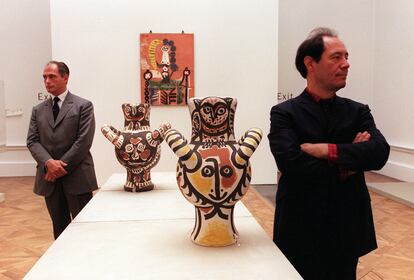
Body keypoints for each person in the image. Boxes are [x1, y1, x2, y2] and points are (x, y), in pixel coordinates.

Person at [268, 27, 390, 279]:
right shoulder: (284, 113)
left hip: (347, 228)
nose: (346, 64)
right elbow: (292, 164)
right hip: (300, 228)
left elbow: (379, 153)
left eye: (346, 57)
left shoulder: (358, 111)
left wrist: (327, 150)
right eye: (336, 57)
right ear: (310, 63)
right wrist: (352, 158)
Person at [27, 61, 98, 239]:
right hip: (49, 180)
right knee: (59, 230)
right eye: (44, 77)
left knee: (83, 230)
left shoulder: (83, 106)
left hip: (77, 177)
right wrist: (49, 163)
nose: (47, 81)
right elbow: (32, 141)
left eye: (52, 76)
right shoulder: (38, 110)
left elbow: (83, 142)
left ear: (65, 77)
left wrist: (58, 168)